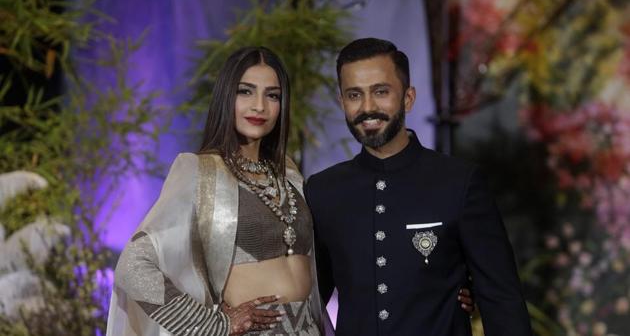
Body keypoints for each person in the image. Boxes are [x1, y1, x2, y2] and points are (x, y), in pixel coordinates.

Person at [106, 46, 474, 336]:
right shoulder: (201, 171)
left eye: (273, 95)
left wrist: (436, 288)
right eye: (245, 92)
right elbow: (133, 267)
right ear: (225, 98)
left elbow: (337, 261)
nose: (259, 106)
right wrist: (210, 325)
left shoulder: (291, 176)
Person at [304, 38, 533, 335]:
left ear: (408, 98)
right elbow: (307, 298)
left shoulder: (458, 182)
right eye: (354, 95)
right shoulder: (323, 191)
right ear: (342, 102)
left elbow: (501, 298)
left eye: (381, 92)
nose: (367, 107)